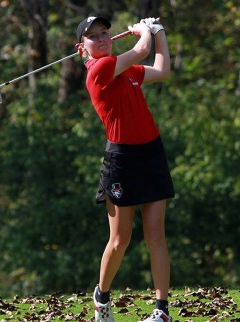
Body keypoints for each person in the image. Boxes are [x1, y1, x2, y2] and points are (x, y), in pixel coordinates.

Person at [75, 15, 175, 322]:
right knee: (120, 239)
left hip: (151, 153)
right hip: (122, 160)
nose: (103, 38)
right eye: (94, 37)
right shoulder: (99, 70)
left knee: (156, 233)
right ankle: (102, 296)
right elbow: (142, 50)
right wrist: (144, 31)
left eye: (105, 33)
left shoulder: (124, 70)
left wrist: (159, 34)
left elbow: (162, 70)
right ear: (82, 49)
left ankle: (161, 310)